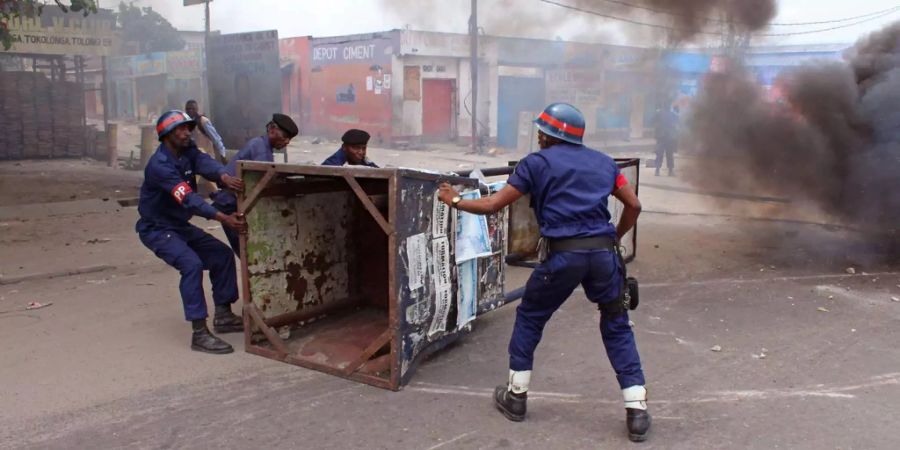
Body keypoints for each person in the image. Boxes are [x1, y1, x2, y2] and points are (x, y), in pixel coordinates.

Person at [437, 103, 650, 442]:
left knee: (531, 316)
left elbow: (493, 205)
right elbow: (634, 205)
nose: (538, 136)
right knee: (616, 323)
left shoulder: (535, 164)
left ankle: (516, 397)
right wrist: (615, 237)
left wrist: (455, 201)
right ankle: (637, 409)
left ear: (551, 135)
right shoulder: (605, 163)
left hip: (563, 256)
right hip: (603, 255)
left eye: (542, 131)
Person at [136, 110, 247, 355]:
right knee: (191, 264)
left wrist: (223, 176)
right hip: (157, 228)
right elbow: (188, 199)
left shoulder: (188, 152)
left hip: (178, 226)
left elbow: (204, 163)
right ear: (166, 135)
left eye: (188, 128)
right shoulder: (160, 167)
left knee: (221, 255)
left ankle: (224, 315)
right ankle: (199, 333)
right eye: (181, 129)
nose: (187, 132)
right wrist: (222, 218)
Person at [211, 113, 298, 255]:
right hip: (231, 204)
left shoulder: (262, 145)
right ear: (272, 130)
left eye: (290, 139)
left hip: (232, 201)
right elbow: (264, 183)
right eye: (286, 136)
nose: (287, 142)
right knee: (249, 254)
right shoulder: (260, 149)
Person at [654, 105, 679, 176]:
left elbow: (653, 121)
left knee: (659, 154)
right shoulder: (673, 114)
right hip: (668, 138)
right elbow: (677, 123)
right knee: (669, 154)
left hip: (662, 137)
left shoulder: (658, 113)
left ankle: (657, 170)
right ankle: (670, 171)